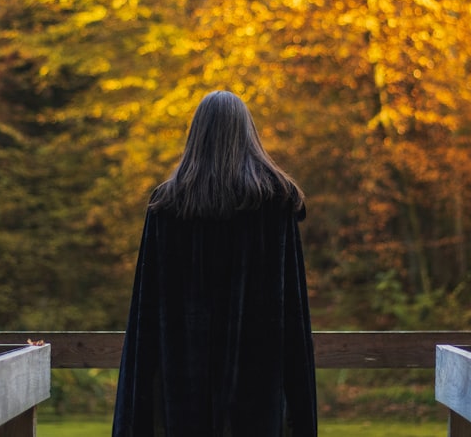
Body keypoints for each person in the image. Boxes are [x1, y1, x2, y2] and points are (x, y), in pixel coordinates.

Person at [112, 90, 318, 437]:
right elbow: (292, 314)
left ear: (197, 135)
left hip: (182, 381)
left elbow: (145, 313)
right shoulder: (275, 202)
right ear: (246, 133)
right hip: (258, 379)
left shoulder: (167, 204)